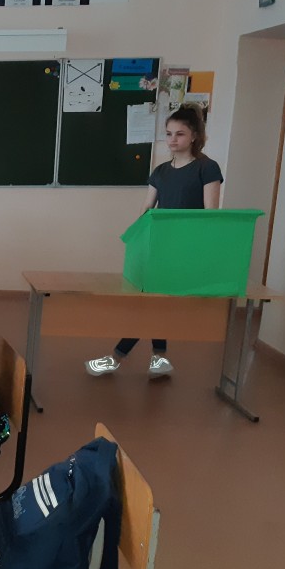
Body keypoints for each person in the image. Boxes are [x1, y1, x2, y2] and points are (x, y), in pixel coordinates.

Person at [86, 105, 224, 378]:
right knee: (155, 305)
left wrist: (198, 249)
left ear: (195, 136)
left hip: (184, 250)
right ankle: (159, 360)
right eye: (168, 133)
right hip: (157, 248)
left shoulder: (207, 168)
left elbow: (210, 215)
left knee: (152, 306)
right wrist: (137, 240)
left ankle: (117, 358)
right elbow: (147, 209)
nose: (172, 139)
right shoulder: (160, 171)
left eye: (180, 134)